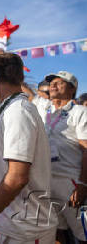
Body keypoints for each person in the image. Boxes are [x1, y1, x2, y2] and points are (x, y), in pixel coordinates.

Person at [0, 53, 57, 243]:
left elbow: (17, 177)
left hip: (22, 231)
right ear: (21, 78)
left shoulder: (18, 111)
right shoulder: (12, 109)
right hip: (13, 226)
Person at [23, 71, 87, 243]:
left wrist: (82, 184)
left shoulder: (80, 112)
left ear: (72, 89)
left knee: (83, 233)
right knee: (57, 232)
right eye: (52, 82)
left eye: (60, 82)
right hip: (46, 183)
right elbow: (27, 92)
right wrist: (5, 62)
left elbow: (86, 149)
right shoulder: (44, 108)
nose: (53, 85)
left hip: (70, 183)